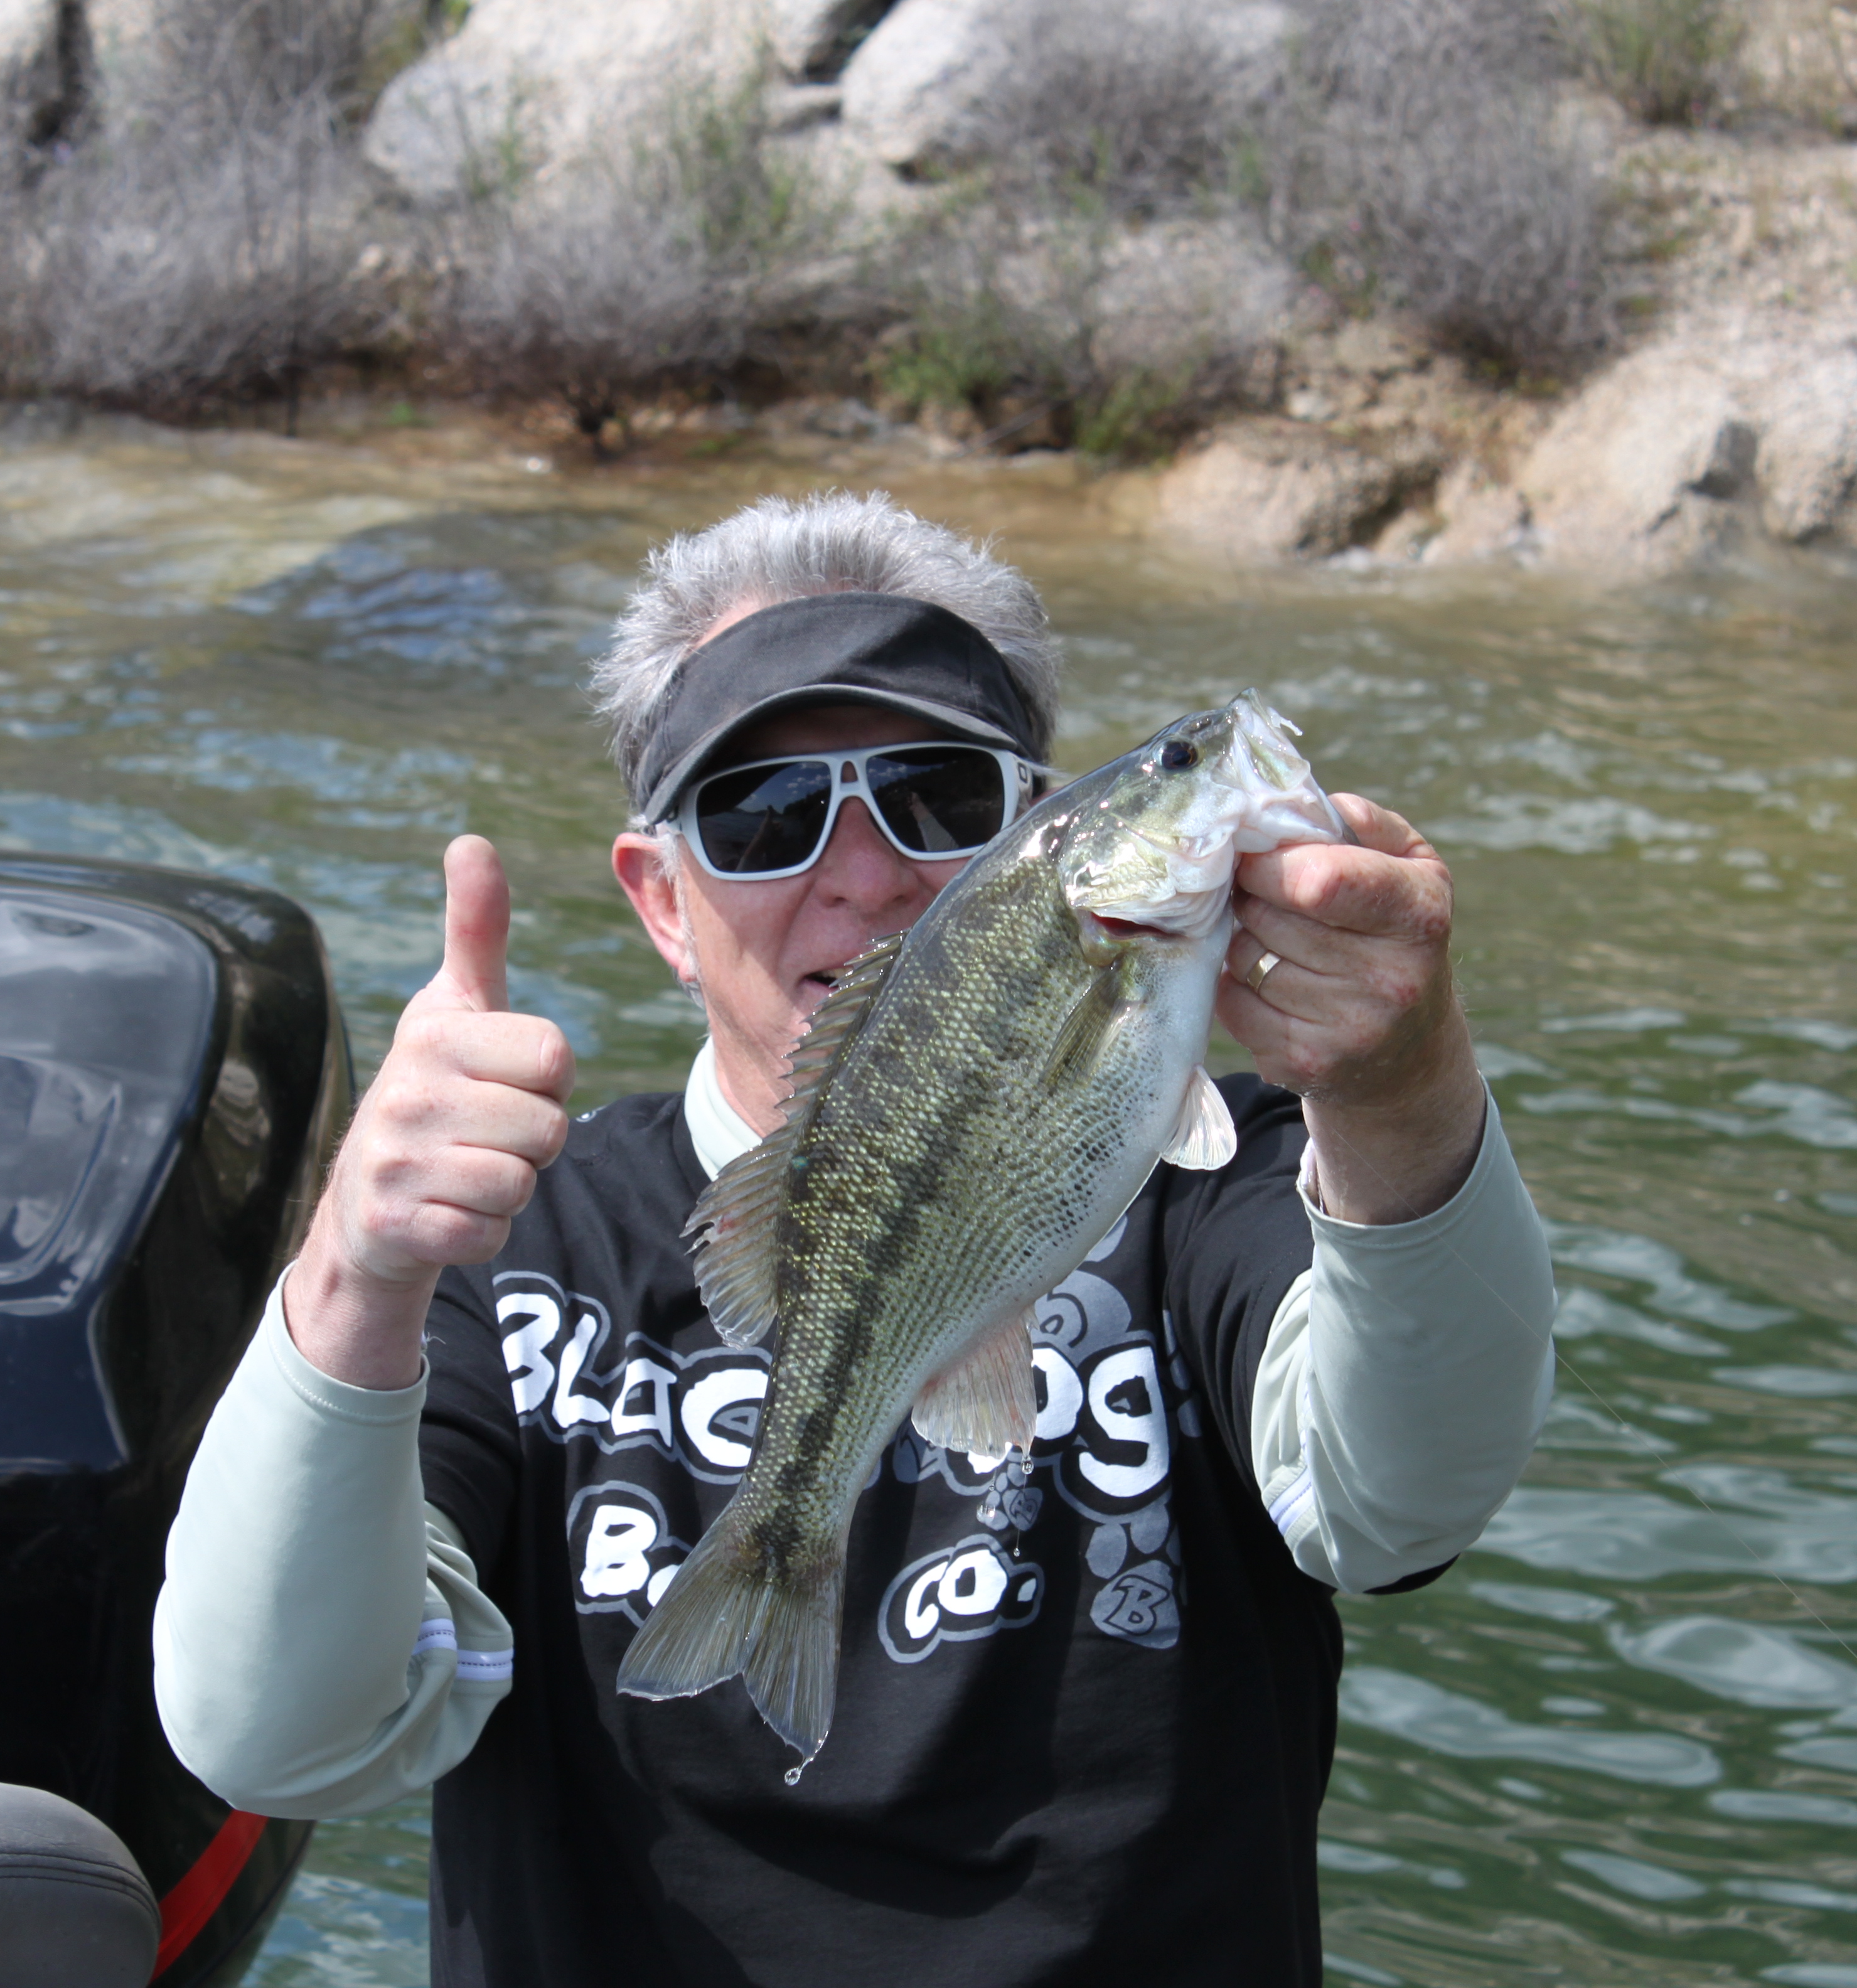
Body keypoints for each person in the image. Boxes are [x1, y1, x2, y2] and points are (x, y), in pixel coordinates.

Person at [154, 491, 1556, 1985]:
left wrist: (1404, 1094)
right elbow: (278, 1739)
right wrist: (356, 1274)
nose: (868, 875)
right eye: (764, 814)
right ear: (664, 902)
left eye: (940, 796)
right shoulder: (508, 1246)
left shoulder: (1239, 1177)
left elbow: (1401, 1509)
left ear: (1032, 829)